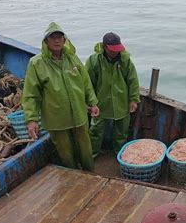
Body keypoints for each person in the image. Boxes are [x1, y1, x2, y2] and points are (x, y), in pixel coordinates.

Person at [22, 22, 99, 171]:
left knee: (86, 150)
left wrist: (93, 102)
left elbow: (85, 82)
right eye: (52, 38)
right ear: (46, 42)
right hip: (56, 119)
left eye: (60, 37)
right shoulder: (36, 63)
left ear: (65, 40)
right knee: (66, 153)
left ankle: (91, 174)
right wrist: (31, 119)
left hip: (79, 115)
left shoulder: (72, 58)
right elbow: (31, 94)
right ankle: (73, 177)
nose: (57, 41)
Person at [85, 32, 140, 156]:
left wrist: (134, 99)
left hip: (121, 102)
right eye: (112, 50)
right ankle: (92, 154)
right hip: (100, 102)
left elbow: (133, 80)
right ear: (105, 47)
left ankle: (120, 154)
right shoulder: (94, 60)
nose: (116, 52)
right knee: (95, 131)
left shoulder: (125, 60)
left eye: (118, 49)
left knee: (121, 132)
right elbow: (87, 83)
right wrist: (90, 102)